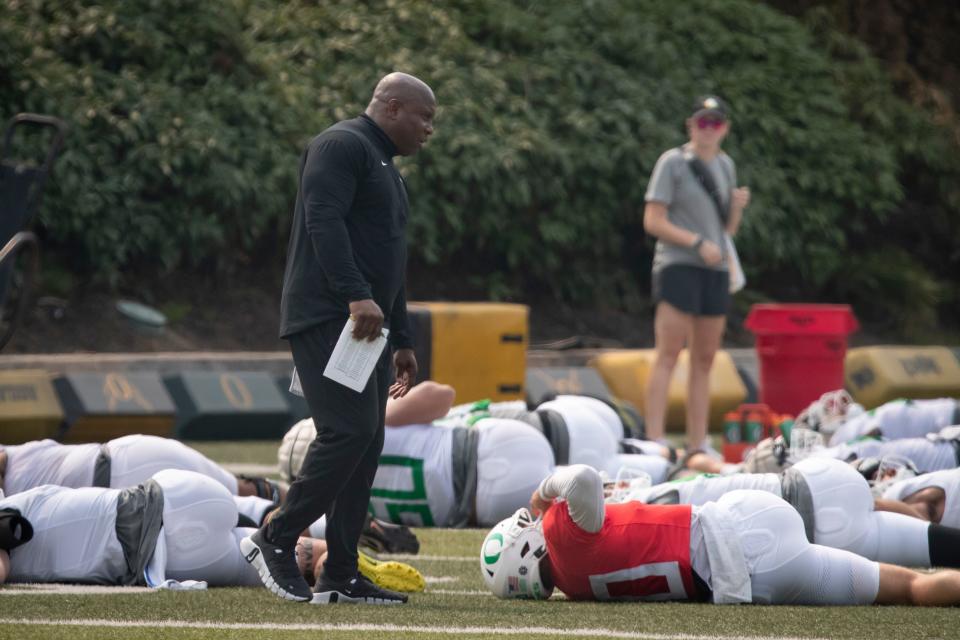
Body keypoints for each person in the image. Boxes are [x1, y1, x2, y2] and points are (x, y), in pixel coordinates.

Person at [242, 72, 436, 605]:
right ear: (392, 107)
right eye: (424, 117)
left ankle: (341, 575)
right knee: (347, 432)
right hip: (329, 316)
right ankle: (277, 536)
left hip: (366, 326)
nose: (429, 130)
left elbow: (390, 261)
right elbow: (321, 221)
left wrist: (403, 338)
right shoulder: (339, 145)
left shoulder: (387, 171)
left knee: (367, 441)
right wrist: (354, 294)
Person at [481, 464, 960, 606]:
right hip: (743, 520)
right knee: (906, 570)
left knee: (912, 591)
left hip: (754, 578)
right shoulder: (564, 533)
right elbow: (583, 477)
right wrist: (544, 490)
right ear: (524, 546)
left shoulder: (576, 591)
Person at [0, 469, 424, 595]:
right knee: (272, 539)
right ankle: (343, 555)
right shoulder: (16, 500)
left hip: (162, 544)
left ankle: (341, 567)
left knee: (270, 561)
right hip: (177, 490)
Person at [615, 456, 960, 569]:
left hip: (796, 546)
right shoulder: (660, 496)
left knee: (917, 572)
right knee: (939, 550)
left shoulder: (648, 509)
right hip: (818, 485)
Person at [642, 95, 750, 454]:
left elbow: (727, 231)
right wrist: (696, 241)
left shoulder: (726, 165)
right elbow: (653, 220)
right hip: (678, 264)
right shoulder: (672, 162)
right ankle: (654, 439)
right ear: (691, 125)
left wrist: (736, 209)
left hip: (715, 269)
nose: (709, 129)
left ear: (725, 128)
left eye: (715, 122)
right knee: (669, 352)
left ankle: (697, 442)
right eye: (702, 121)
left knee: (705, 358)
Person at [279, 415, 556, 528]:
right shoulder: (366, 423)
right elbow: (441, 395)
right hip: (494, 446)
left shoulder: (338, 513)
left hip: (484, 508)